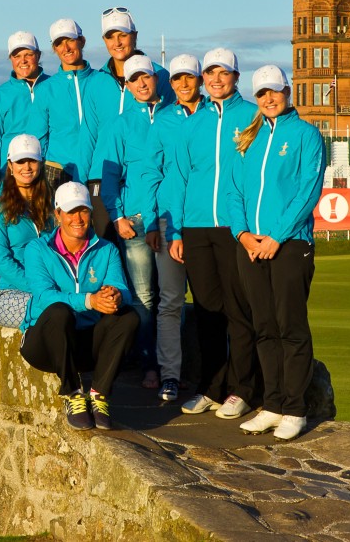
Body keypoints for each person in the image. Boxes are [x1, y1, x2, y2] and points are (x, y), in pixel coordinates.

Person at [227, 65, 325, 441]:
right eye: (262, 93)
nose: (269, 98)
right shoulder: (248, 138)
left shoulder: (305, 135)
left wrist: (276, 237)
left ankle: (295, 409)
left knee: (291, 328)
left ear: (287, 90)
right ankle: (272, 405)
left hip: (290, 245)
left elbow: (307, 193)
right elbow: (234, 193)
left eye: (275, 91)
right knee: (264, 328)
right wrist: (244, 235)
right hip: (251, 247)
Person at [166, 48, 260, 420]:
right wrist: (175, 232)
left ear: (236, 77)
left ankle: (242, 388)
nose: (216, 79)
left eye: (224, 73)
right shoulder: (193, 123)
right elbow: (178, 178)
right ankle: (212, 387)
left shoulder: (251, 116)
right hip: (196, 227)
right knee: (206, 312)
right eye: (210, 73)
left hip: (235, 229)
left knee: (239, 310)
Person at [20, 182, 139, 430]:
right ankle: (73, 393)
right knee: (59, 311)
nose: (77, 218)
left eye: (83, 210)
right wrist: (90, 300)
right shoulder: (38, 249)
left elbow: (121, 286)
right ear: (58, 214)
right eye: (70, 211)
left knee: (128, 317)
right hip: (45, 344)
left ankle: (99, 395)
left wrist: (115, 295)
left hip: (85, 342)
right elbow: (43, 296)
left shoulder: (106, 249)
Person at [96, 54, 170, 392]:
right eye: (134, 79)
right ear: (127, 85)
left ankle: (172, 368)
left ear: (156, 78)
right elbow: (110, 177)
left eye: (146, 77)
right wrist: (117, 217)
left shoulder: (174, 118)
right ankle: (150, 364)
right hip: (136, 222)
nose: (141, 83)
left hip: (169, 220)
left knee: (169, 297)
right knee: (142, 298)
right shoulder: (120, 124)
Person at [139, 54, 208, 402]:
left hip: (207, 221)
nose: (183, 84)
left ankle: (215, 379)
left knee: (213, 301)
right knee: (170, 301)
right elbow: (151, 172)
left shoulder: (214, 116)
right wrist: (151, 220)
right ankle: (170, 375)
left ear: (199, 80)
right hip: (168, 221)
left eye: (189, 78)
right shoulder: (163, 120)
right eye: (178, 78)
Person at [83, 7, 171, 240]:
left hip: (142, 179)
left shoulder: (159, 75)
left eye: (123, 34)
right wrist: (80, 182)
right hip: (102, 179)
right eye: (111, 36)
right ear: (104, 40)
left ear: (135, 34)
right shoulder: (95, 82)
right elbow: (89, 135)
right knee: (107, 251)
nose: (117, 42)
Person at [28, 19, 117, 187]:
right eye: (59, 43)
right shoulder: (46, 89)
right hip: (59, 170)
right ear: (54, 48)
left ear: (82, 41)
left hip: (98, 168)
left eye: (70, 40)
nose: (66, 48)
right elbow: (37, 137)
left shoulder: (102, 80)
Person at [0, 134, 54, 328]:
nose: (27, 167)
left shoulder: (49, 201)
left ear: (41, 163)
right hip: (4, 292)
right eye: (20, 161)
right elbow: (0, 260)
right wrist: (41, 288)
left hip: (43, 286)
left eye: (32, 160)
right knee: (54, 312)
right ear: (10, 166)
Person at [0, 31, 50, 187]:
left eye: (28, 54)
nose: (23, 61)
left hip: (49, 174)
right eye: (17, 56)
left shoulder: (53, 87)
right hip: (12, 177)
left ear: (38, 55)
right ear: (10, 59)